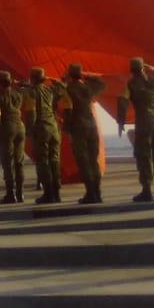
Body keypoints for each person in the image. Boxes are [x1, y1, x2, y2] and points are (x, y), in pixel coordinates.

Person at [116, 57, 154, 202]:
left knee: (143, 157)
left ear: (131, 71)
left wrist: (121, 122)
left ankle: (147, 191)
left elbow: (122, 102)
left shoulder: (131, 84)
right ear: (143, 68)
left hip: (143, 126)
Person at [21, 67, 67, 204]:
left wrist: (29, 130)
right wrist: (52, 79)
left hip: (41, 129)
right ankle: (57, 193)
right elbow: (62, 88)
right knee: (54, 160)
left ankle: (48, 194)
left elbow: (31, 113)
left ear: (32, 78)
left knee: (43, 162)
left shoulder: (31, 93)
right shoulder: (50, 90)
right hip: (54, 128)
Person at [63, 63, 107, 204]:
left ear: (70, 74)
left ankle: (90, 193)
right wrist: (86, 75)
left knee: (84, 162)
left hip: (78, 128)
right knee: (93, 161)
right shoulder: (88, 88)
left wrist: (67, 129)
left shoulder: (68, 90)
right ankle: (97, 193)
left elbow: (68, 111)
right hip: (92, 126)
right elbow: (101, 83)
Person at [0, 71, 26, 204]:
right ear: (11, 81)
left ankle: (11, 194)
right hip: (20, 127)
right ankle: (20, 194)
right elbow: (25, 86)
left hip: (7, 128)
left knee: (7, 163)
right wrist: (17, 83)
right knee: (19, 162)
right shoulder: (18, 93)